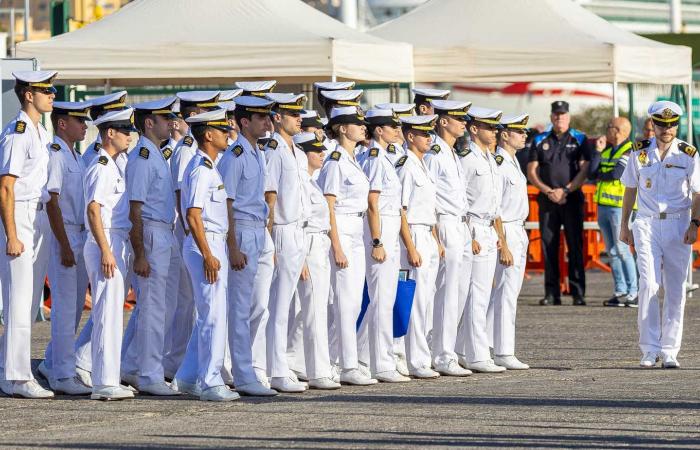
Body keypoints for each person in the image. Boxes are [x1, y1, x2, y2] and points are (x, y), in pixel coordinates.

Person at [620, 100, 700, 369]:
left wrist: (695, 224)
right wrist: (624, 225)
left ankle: (669, 350)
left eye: (672, 124)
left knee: (676, 288)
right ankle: (649, 348)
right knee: (649, 284)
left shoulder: (688, 154)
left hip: (679, 223)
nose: (667, 129)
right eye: (662, 124)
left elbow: (698, 192)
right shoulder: (639, 152)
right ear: (652, 125)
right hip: (646, 223)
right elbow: (630, 188)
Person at [119, 97, 181, 396]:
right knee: (154, 309)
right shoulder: (142, 156)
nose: (171, 122)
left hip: (163, 233)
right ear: (148, 123)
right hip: (151, 235)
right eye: (164, 118)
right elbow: (135, 210)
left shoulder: (156, 153)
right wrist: (140, 253)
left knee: (161, 308)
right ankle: (150, 374)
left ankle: (133, 365)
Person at [0, 70, 57, 399]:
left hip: (37, 217)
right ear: (28, 95)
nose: (51, 94)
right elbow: (5, 187)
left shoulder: (39, 132)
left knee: (31, 299)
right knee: (19, 301)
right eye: (44, 90)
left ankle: (16, 370)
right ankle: (16, 377)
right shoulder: (18, 132)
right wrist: (11, 234)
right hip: (19, 217)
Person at [217, 96, 278, 397]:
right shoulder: (236, 155)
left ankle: (251, 367)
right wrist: (232, 246)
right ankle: (243, 374)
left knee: (259, 307)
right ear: (244, 122)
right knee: (240, 308)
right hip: (241, 232)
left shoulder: (256, 153)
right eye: (261, 118)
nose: (268, 122)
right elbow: (226, 204)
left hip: (259, 233)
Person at [179, 108, 239, 402]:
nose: (228, 134)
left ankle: (189, 377)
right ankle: (211, 381)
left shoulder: (210, 166)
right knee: (213, 315)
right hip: (206, 244)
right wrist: (207, 254)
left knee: (211, 314)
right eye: (221, 130)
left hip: (213, 243)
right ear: (208, 135)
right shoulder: (200, 168)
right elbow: (192, 214)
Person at [317, 106, 375, 386]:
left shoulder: (353, 159)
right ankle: (345, 364)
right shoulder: (335, 161)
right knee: (344, 302)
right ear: (341, 128)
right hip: (341, 229)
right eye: (356, 123)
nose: (363, 128)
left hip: (356, 230)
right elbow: (328, 206)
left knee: (352, 302)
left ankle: (339, 360)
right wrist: (336, 246)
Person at [82, 108, 137, 401]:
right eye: (123, 130)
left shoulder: (116, 165)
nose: (129, 135)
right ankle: (103, 381)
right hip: (105, 241)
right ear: (109, 133)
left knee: (114, 312)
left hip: (116, 240)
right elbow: (94, 209)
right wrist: (105, 249)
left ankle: (110, 377)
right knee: (106, 312)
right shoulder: (101, 166)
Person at [166, 90, 220, 379]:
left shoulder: (204, 158)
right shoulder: (189, 150)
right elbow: (183, 199)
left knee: (195, 307)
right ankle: (176, 363)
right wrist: (195, 240)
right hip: (194, 235)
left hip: (200, 235)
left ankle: (184, 370)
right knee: (189, 305)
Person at [42, 100, 93, 395]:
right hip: (66, 235)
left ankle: (53, 361)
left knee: (73, 309)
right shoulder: (57, 155)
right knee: (63, 308)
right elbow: (53, 202)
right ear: (62, 124)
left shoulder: (78, 156)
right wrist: (63, 244)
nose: (85, 126)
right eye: (79, 121)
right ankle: (62, 375)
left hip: (79, 235)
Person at [262, 93, 310, 393]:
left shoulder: (297, 151)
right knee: (277, 307)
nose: (299, 118)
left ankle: (279, 365)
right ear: (277, 118)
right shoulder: (274, 149)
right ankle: (276, 369)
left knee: (288, 306)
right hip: (280, 230)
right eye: (293, 114)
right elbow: (270, 197)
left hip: (298, 231)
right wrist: (269, 241)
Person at [359, 108, 410, 383]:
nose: (397, 131)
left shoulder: (386, 158)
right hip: (380, 231)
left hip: (389, 227)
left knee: (385, 298)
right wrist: (377, 241)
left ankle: (365, 357)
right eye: (392, 127)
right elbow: (372, 203)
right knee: (381, 300)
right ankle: (382, 363)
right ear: (379, 130)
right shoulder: (376, 159)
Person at [422, 100, 473, 378]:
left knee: (458, 291)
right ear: (442, 122)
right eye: (457, 118)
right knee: (445, 292)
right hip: (444, 223)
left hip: (460, 224)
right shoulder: (435, 154)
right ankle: (441, 354)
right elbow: (427, 197)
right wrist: (434, 233)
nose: (463, 123)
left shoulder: (451, 153)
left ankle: (445, 349)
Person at [456, 107, 507, 374]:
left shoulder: (490, 159)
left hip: (488, 227)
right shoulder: (466, 158)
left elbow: (494, 203)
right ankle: (476, 354)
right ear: (475, 129)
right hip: (473, 225)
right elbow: (459, 198)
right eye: (489, 128)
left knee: (481, 293)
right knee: (475, 295)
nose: (495, 133)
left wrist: (499, 236)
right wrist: (470, 233)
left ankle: (465, 349)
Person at [527, 100, 591, 306]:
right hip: (548, 201)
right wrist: (548, 191)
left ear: (569, 117)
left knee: (575, 246)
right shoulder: (540, 139)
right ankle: (551, 293)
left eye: (563, 115)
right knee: (549, 246)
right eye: (556, 115)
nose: (559, 118)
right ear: (551, 117)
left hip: (571, 199)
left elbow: (584, 169)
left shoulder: (580, 138)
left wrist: (565, 190)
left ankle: (578, 293)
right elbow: (532, 170)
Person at [293, 132, 340, 390]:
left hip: (318, 244)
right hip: (308, 245)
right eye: (314, 149)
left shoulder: (312, 181)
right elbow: (298, 221)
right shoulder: (300, 181)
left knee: (317, 309)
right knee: (312, 310)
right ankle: (317, 371)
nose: (321, 153)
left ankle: (303, 363)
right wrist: (300, 259)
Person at [395, 114, 441, 379]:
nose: (429, 138)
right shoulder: (407, 165)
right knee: (414, 299)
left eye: (430, 134)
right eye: (424, 134)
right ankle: (413, 359)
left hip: (426, 232)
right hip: (412, 233)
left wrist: (435, 240)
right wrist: (410, 247)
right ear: (410, 136)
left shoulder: (422, 165)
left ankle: (420, 356)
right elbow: (401, 209)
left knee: (426, 299)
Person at [488, 114, 532, 371]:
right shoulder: (499, 163)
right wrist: (503, 242)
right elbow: (497, 209)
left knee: (509, 292)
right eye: (519, 131)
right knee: (504, 292)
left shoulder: (512, 161)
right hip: (507, 230)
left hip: (518, 229)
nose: (524, 135)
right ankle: (503, 350)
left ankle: (488, 344)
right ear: (505, 135)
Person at [589, 117, 638, 307]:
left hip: (620, 208)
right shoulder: (607, 150)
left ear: (621, 131)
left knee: (623, 249)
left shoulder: (630, 150)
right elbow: (592, 173)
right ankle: (620, 290)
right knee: (611, 250)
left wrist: (602, 174)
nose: (608, 131)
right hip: (603, 205)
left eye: (611, 127)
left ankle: (634, 292)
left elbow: (616, 174)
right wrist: (597, 152)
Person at [81, 91, 128, 167]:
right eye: (117, 115)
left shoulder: (119, 147)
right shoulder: (94, 156)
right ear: (101, 118)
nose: (122, 118)